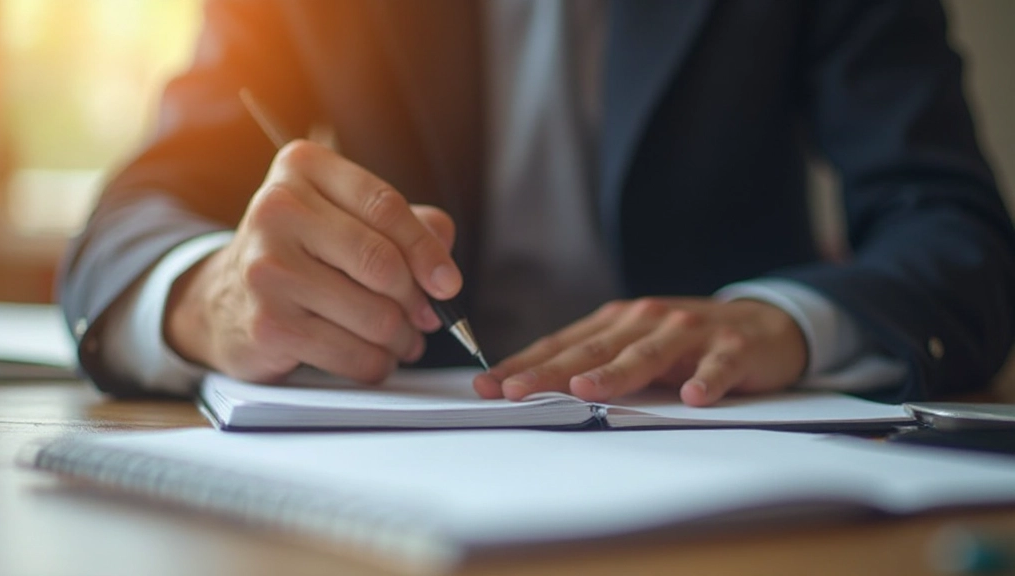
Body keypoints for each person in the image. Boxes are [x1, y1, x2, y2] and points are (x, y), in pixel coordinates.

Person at [60, 0, 1015, 407]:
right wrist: (210, 296)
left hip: (723, 447)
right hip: (388, 476)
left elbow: (957, 231)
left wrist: (787, 321)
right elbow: (132, 218)